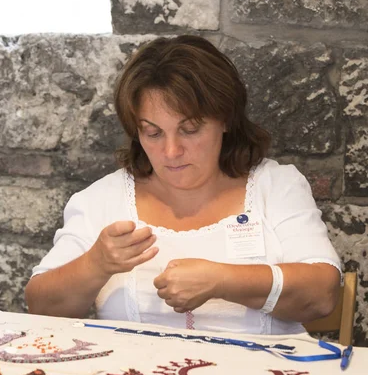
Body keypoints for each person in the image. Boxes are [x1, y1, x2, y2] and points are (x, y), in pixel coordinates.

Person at [24, 35, 341, 335]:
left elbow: (322, 295)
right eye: (153, 132)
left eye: (190, 129)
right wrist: (96, 264)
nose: (171, 151)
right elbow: (41, 306)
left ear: (225, 119)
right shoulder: (102, 199)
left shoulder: (276, 187)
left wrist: (223, 280)